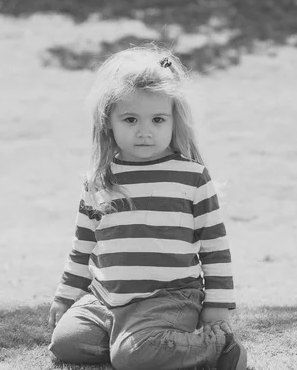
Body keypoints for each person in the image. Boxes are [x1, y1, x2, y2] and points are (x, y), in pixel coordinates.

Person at [48, 45, 247, 370]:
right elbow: (83, 245)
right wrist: (65, 294)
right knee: (66, 343)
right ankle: (142, 344)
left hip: (169, 298)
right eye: (130, 119)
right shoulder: (99, 178)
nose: (145, 131)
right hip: (105, 298)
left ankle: (216, 347)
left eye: (157, 119)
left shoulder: (191, 176)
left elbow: (215, 247)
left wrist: (217, 306)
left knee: (130, 356)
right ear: (108, 121)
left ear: (173, 119)